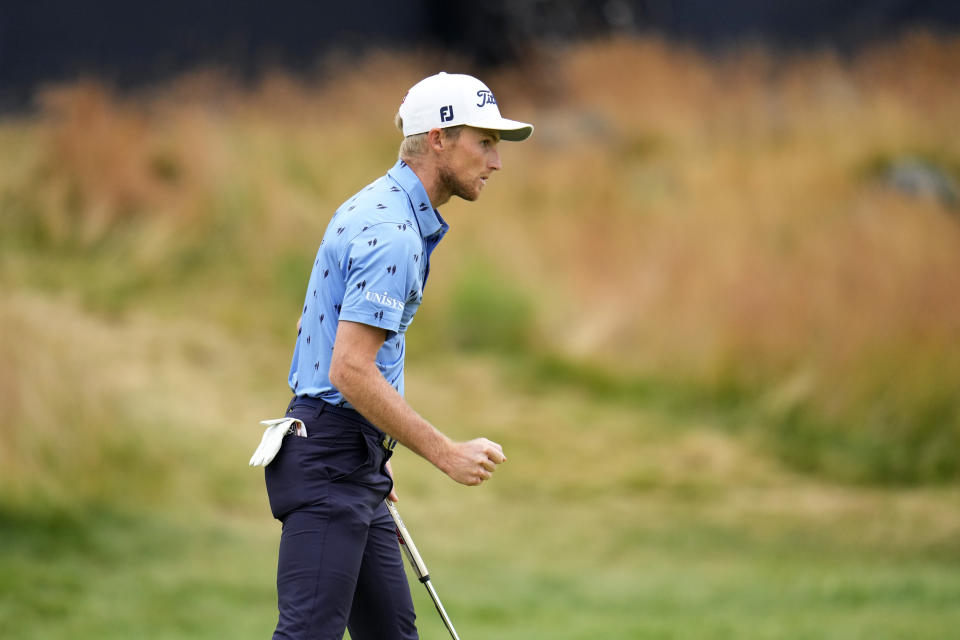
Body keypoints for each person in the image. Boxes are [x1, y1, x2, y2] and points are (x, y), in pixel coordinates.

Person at [264, 72, 534, 639]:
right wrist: (446, 454)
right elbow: (349, 368)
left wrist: (376, 447)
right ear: (438, 138)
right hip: (329, 463)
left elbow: (315, 324)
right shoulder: (392, 232)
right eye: (484, 142)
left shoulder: (377, 206)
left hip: (353, 458)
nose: (496, 161)